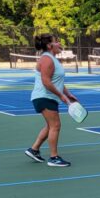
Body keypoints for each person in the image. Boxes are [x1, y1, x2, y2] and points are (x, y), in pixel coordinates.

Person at [25, 34, 79, 167]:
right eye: (56, 42)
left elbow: (58, 81)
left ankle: (34, 149)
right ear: (50, 46)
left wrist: (68, 93)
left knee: (50, 126)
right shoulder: (47, 59)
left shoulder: (53, 59)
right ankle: (54, 158)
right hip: (44, 97)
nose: (60, 43)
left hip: (48, 97)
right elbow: (46, 82)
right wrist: (61, 96)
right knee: (56, 126)